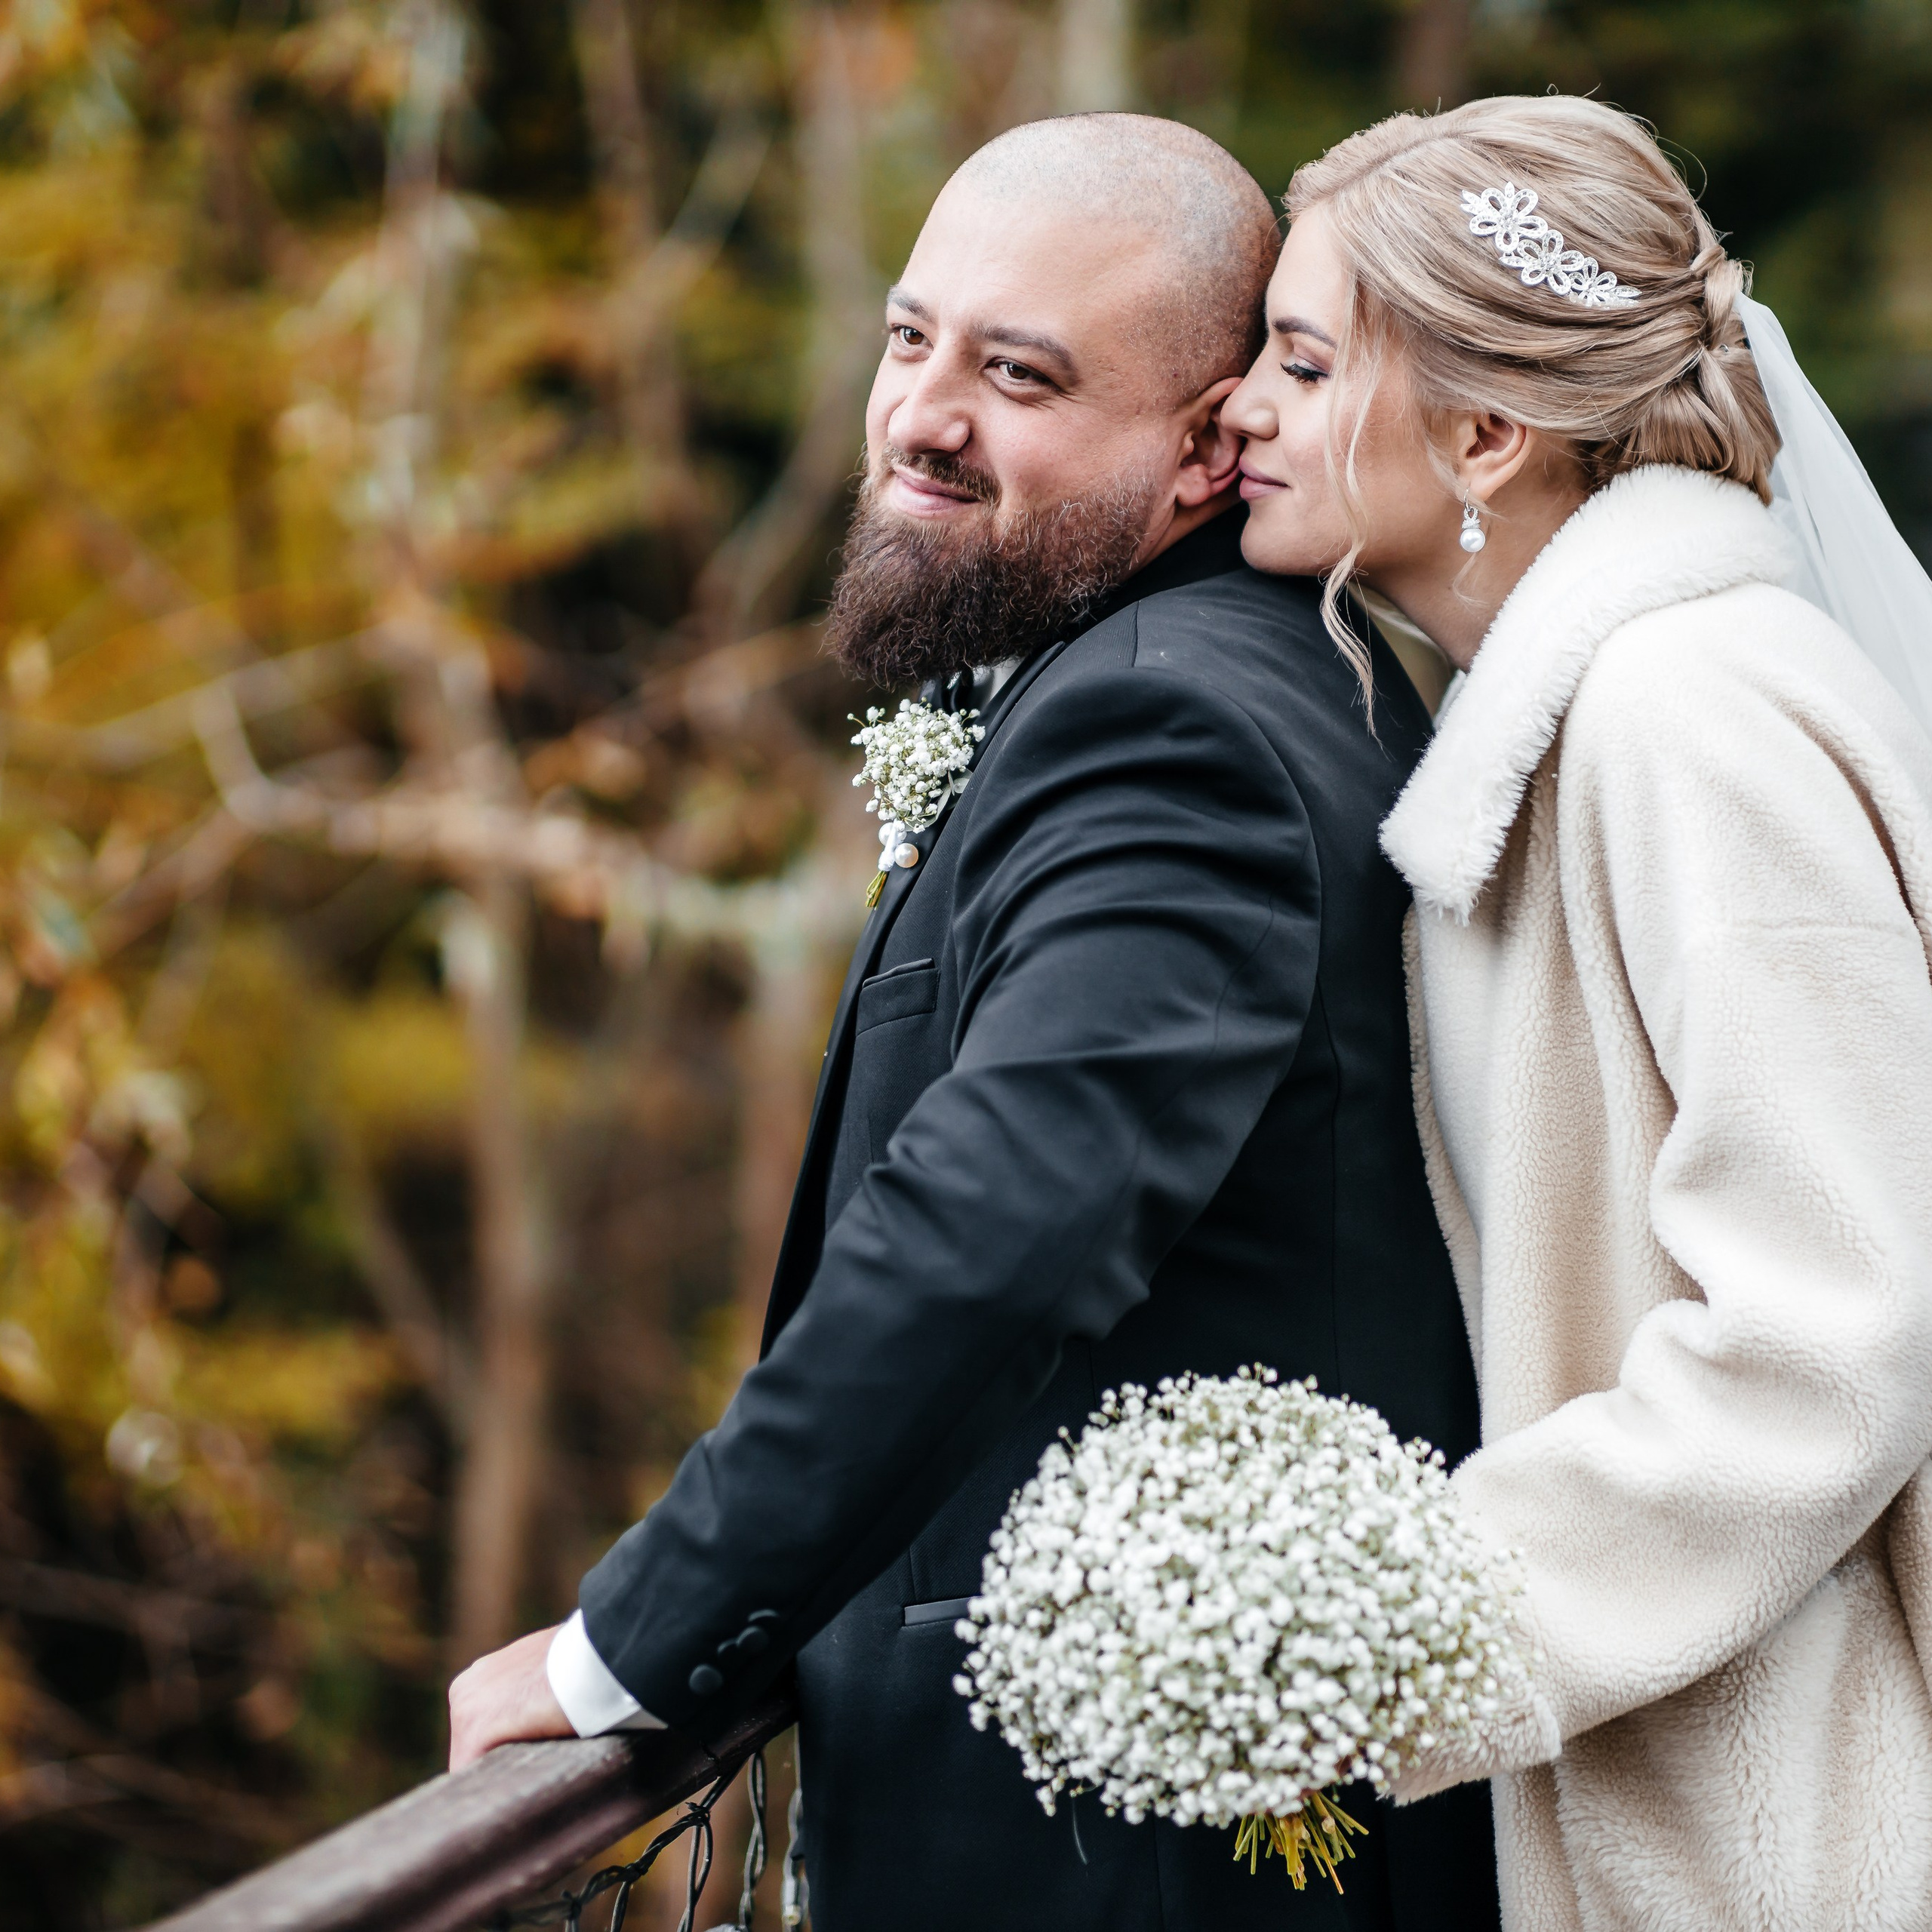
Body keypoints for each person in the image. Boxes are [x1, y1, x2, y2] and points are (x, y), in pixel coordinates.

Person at [449, 112, 1495, 1932]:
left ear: (1205, 447)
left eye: (1017, 375)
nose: (920, 416)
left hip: (1123, 1865)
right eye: (907, 337)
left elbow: (995, 1219)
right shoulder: (1179, 678)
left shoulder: (1171, 730)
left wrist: (623, 1641)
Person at [1223, 92, 1932, 1932]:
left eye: (1302, 362)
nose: (1239, 409)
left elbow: (1826, 1334)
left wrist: (1372, 1638)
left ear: (1482, 432)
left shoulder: (1690, 714)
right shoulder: (1573, 711)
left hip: (1804, 1828)